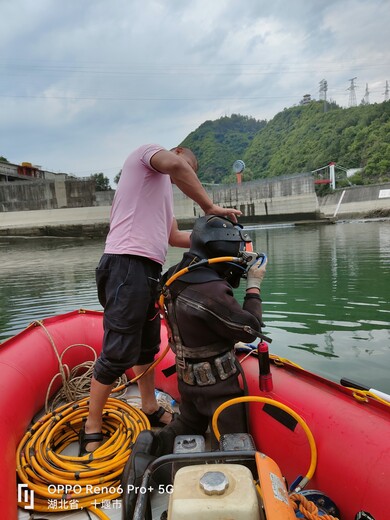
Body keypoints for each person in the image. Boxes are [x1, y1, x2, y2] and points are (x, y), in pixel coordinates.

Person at [79, 144, 241, 455]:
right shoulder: (147, 154)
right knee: (117, 354)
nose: (185, 175)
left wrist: (224, 241)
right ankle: (92, 425)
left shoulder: (162, 192)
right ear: (177, 152)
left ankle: (150, 407)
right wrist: (210, 207)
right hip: (126, 263)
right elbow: (177, 168)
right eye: (188, 167)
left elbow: (175, 238)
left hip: (150, 269)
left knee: (147, 347)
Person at [155, 214, 267, 454]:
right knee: (234, 441)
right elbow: (249, 330)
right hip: (218, 387)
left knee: (189, 422)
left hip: (186, 380)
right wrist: (254, 285)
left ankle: (151, 445)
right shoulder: (212, 290)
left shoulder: (174, 274)